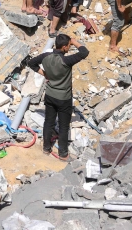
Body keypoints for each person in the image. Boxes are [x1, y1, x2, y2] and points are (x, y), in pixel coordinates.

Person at [25, 33, 89, 161]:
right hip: (64, 98)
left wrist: (45, 74)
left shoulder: (45, 56)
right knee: (64, 126)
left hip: (49, 95)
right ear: (64, 47)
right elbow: (84, 52)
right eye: (69, 46)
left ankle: (46, 148)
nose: (70, 48)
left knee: (49, 122)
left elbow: (31, 63)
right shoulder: (66, 61)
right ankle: (63, 154)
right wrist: (75, 42)